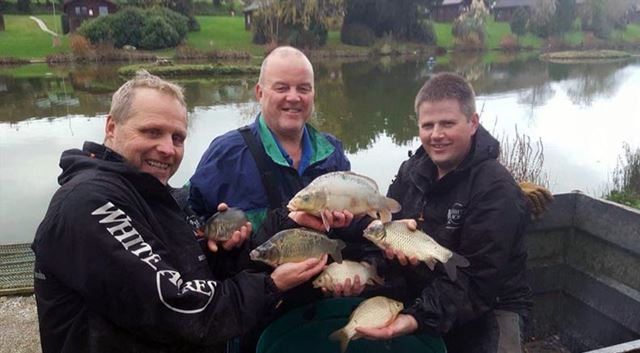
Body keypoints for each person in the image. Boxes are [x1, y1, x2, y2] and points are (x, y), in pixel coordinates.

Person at [31, 70, 328, 353]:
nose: (167, 149)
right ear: (111, 127)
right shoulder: (88, 203)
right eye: (151, 132)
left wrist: (236, 247)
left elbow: (191, 274)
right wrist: (271, 285)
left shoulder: (159, 195)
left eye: (177, 138)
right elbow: (178, 307)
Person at [356, 73, 532, 353]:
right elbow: (384, 227)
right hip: (427, 293)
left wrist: (413, 319)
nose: (436, 135)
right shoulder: (411, 171)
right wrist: (372, 264)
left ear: (473, 123)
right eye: (428, 125)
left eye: (447, 123)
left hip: (490, 305)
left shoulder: (497, 190)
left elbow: (477, 281)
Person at [188, 46, 351, 231]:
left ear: (313, 95)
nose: (294, 97)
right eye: (282, 88)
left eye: (303, 89)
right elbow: (187, 221)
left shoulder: (332, 152)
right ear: (259, 93)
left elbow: (350, 230)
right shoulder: (226, 154)